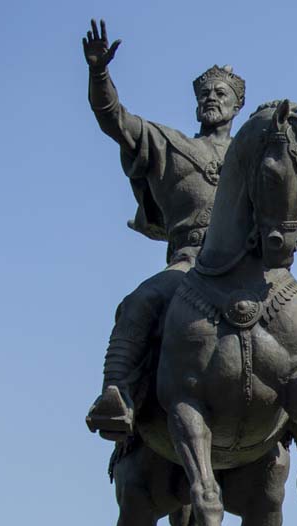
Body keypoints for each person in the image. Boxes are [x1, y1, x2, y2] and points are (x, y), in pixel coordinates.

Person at [81, 19, 246, 440]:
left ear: (237, 106)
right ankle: (116, 395)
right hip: (189, 264)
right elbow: (115, 120)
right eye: (205, 94)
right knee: (139, 302)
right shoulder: (170, 145)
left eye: (221, 93)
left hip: (247, 264)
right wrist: (99, 73)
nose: (212, 98)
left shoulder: (251, 157)